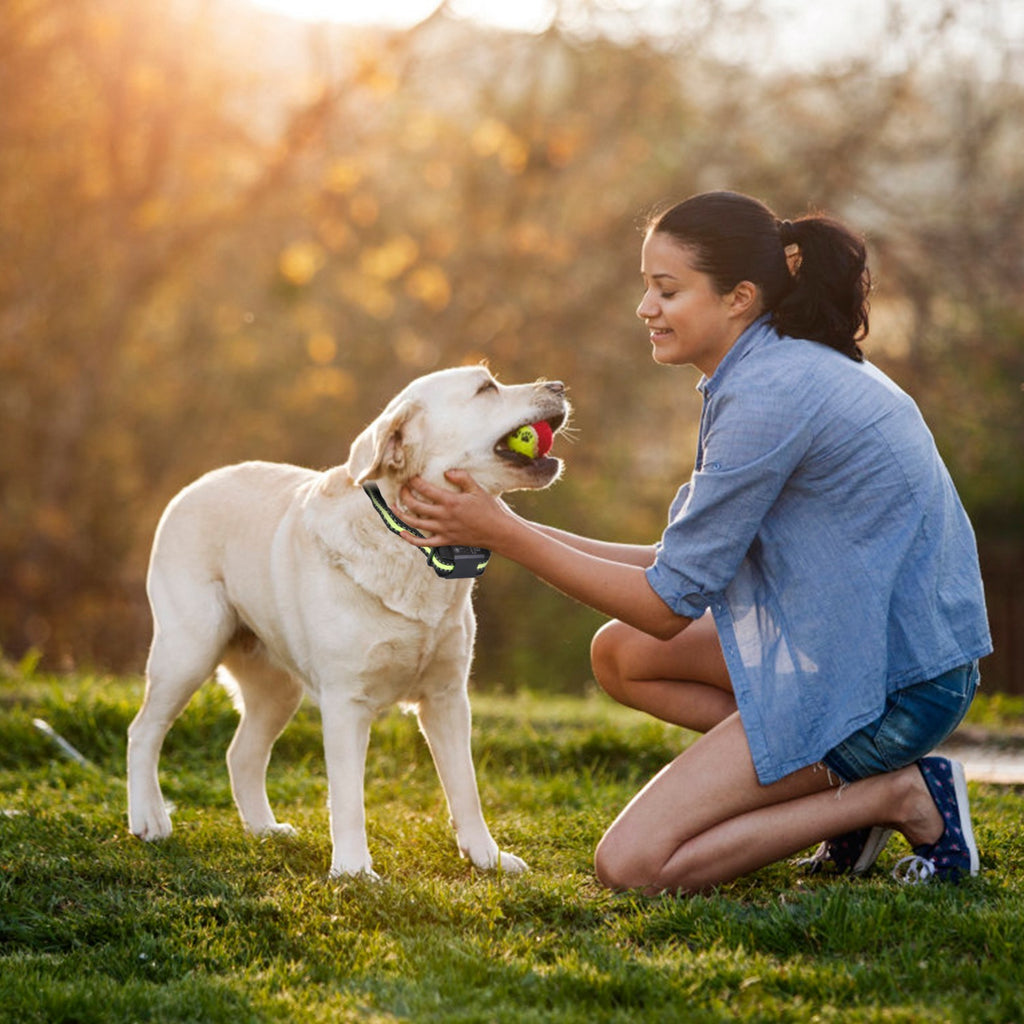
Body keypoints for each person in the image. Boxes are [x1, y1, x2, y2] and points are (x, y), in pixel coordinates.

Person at [397, 190, 993, 894]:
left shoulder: (769, 394)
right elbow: (676, 565)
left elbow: (666, 604)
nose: (645, 308)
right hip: (853, 649)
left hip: (892, 688)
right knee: (621, 654)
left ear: (739, 297)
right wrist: (503, 531)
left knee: (633, 866)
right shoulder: (769, 367)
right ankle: (835, 789)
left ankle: (895, 795)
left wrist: (506, 534)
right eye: (646, 286)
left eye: (667, 289)